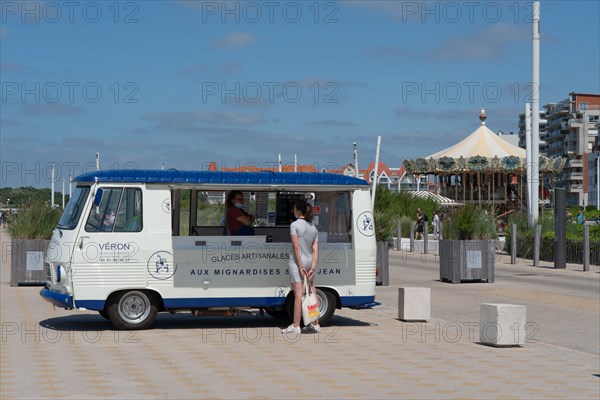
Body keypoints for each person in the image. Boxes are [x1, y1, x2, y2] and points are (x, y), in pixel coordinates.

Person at [281, 199, 320, 335]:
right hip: (310, 261)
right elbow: (315, 249)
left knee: (298, 294)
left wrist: (300, 266)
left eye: (294, 208)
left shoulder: (294, 225)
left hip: (297, 262)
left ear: (297, 210)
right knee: (312, 292)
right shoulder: (313, 227)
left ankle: (296, 325)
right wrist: (313, 267)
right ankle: (315, 324)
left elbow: (295, 246)